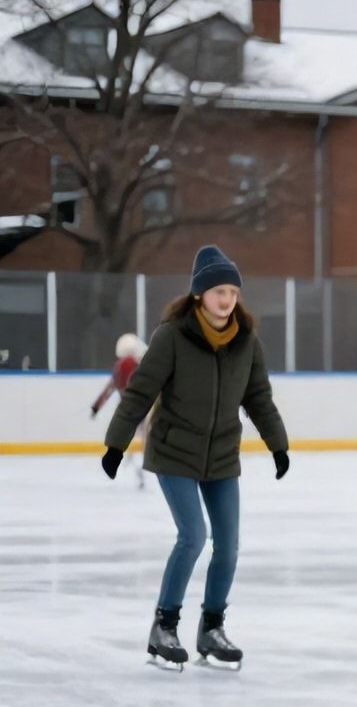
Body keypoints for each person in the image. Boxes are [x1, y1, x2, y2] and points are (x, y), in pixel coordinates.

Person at [101, 246, 289, 670]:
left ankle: (211, 629)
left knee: (229, 545)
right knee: (192, 536)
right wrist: (115, 444)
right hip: (174, 454)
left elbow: (258, 397)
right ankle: (164, 626)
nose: (227, 299)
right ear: (200, 294)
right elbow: (141, 391)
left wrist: (278, 444)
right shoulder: (172, 336)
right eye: (219, 290)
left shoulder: (246, 341)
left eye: (233, 291)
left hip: (222, 456)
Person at [92, 331, 149, 488]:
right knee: (145, 442)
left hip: (127, 412)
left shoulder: (119, 367)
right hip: (139, 410)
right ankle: (139, 469)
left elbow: (110, 388)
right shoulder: (132, 364)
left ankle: (135, 466)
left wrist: (96, 406)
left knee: (126, 441)